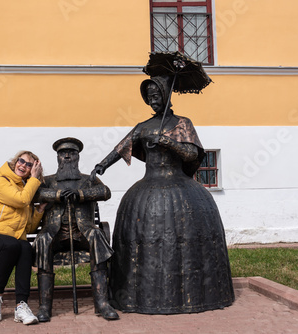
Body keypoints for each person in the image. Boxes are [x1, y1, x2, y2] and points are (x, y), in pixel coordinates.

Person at [91, 76, 235, 314]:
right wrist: (102, 165)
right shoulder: (143, 127)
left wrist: (169, 143)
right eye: (149, 98)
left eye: (156, 96)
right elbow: (122, 147)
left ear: (167, 95)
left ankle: (198, 293)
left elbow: (191, 153)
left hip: (183, 189)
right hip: (148, 187)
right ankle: (138, 295)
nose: (152, 101)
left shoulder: (183, 123)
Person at [33, 137, 119, 321]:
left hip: (82, 231)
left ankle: (102, 304)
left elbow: (105, 192)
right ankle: (44, 307)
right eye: (63, 153)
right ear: (57, 157)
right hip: (55, 232)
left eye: (71, 153)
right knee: (42, 240)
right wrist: (57, 195)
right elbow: (36, 193)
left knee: (96, 235)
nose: (67, 156)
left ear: (77, 157)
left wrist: (80, 194)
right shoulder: (48, 181)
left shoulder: (88, 180)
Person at [0, 150, 47, 324]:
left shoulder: (27, 190)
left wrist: (39, 211)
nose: (23, 165)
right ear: (16, 162)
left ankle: (21, 306)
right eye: (21, 161)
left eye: (29, 164)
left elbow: (28, 227)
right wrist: (35, 180)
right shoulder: (1, 180)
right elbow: (20, 200)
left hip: (13, 241)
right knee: (13, 245)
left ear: (32, 169)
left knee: (25, 248)